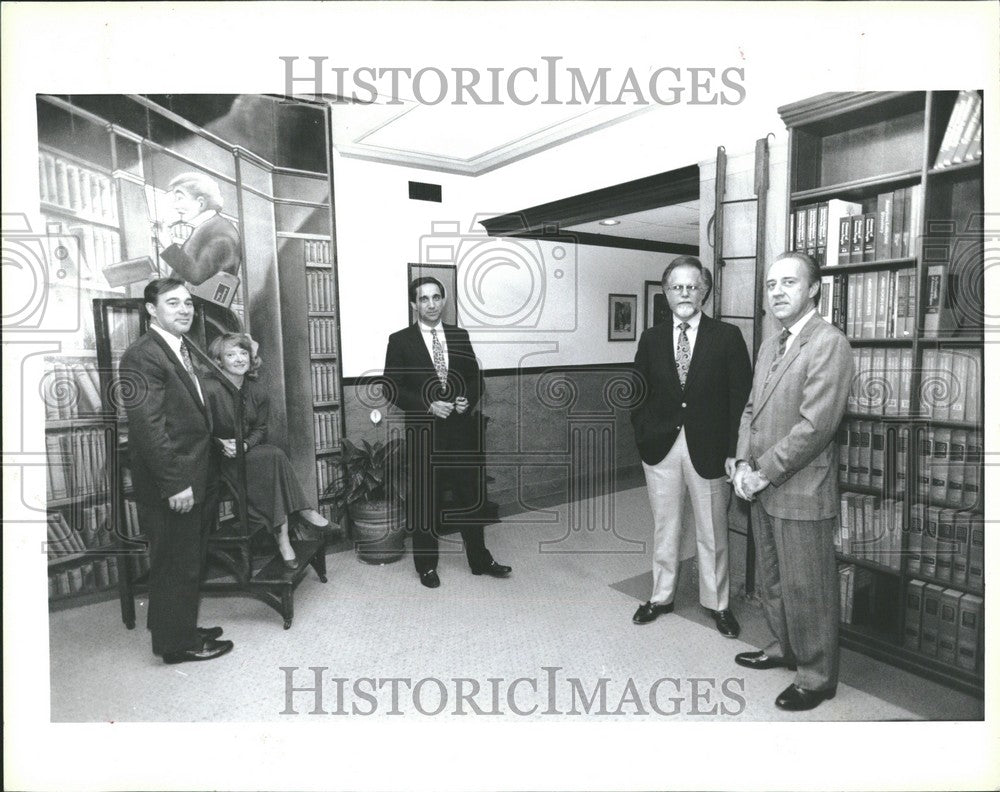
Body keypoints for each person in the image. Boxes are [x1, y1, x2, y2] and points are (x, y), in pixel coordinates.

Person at [728, 251, 853, 712]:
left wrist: (761, 472)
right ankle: (785, 648)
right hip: (761, 483)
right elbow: (750, 411)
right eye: (771, 284)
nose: (777, 292)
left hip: (799, 487)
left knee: (809, 587)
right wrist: (741, 463)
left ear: (814, 288)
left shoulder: (828, 343)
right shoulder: (769, 344)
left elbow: (816, 426)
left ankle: (817, 677)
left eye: (789, 283)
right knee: (773, 581)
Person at [629, 256, 752, 637]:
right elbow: (638, 393)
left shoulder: (727, 336)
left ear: (704, 292)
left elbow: (741, 400)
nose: (684, 293)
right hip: (661, 449)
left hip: (710, 450)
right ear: (666, 293)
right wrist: (644, 434)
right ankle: (661, 596)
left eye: (692, 286)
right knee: (665, 527)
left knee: (712, 531)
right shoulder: (651, 339)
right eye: (676, 287)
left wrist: (736, 451)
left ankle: (718, 604)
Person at [119, 278, 233, 664]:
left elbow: (188, 414)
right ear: (151, 309)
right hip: (174, 481)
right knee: (175, 563)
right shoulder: (143, 355)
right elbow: (148, 427)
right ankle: (176, 646)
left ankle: (179, 628)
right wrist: (175, 483)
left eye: (188, 303)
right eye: (173, 303)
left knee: (186, 559)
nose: (185, 310)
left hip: (194, 471)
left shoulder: (178, 347)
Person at [382, 277, 511, 588]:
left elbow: (474, 379)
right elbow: (390, 386)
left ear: (444, 301)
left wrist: (467, 398)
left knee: (471, 498)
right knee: (427, 501)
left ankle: (480, 559)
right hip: (425, 436)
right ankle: (426, 566)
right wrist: (428, 405)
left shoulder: (459, 335)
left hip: (462, 433)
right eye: (423, 298)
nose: (431, 304)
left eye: (436, 297)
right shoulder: (400, 340)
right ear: (414, 304)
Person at [202, 332, 330, 569]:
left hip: (247, 452)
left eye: (243, 353)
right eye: (231, 354)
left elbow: (259, 429)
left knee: (272, 457)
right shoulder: (208, 389)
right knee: (274, 455)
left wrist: (245, 444)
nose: (240, 359)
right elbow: (197, 429)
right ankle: (302, 513)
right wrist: (220, 443)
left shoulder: (257, 391)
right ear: (219, 361)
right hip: (219, 458)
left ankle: (285, 539)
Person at [159, 172, 242, 286]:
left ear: (201, 203)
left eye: (180, 198)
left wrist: (168, 246)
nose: (175, 206)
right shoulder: (208, 227)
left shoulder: (222, 235)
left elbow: (196, 276)